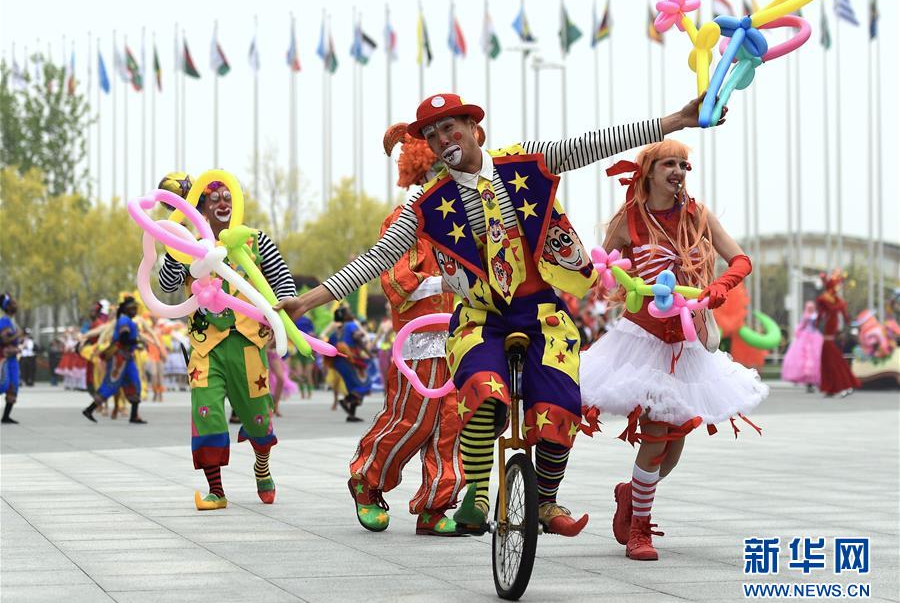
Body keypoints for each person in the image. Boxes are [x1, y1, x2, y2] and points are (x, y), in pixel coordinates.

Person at [278, 91, 714, 537]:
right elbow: (380, 256)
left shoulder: (524, 162)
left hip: (542, 310)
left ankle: (546, 499)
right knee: (483, 396)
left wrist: (677, 119)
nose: (442, 139)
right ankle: (479, 494)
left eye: (450, 128)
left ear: (473, 130)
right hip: (480, 316)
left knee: (559, 402)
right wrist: (306, 301)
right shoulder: (427, 202)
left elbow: (592, 144)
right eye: (432, 134)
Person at [579, 139, 768, 560]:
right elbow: (601, 269)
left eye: (684, 164)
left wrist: (719, 286)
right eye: (669, 163)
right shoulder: (630, 218)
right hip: (641, 340)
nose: (678, 170)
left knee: (672, 450)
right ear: (648, 171)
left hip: (689, 339)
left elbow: (740, 260)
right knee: (656, 435)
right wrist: (608, 278)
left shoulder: (698, 214)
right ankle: (639, 533)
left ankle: (631, 493)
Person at [347, 125, 464, 536]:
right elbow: (396, 281)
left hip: (467, 335)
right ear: (422, 172)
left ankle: (436, 504)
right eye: (436, 169)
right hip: (420, 339)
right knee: (413, 417)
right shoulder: (405, 219)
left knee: (454, 422)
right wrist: (447, 283)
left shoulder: (471, 216)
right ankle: (367, 479)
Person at [157, 173, 296, 510]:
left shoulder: (255, 240)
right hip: (206, 346)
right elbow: (166, 286)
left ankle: (261, 466)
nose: (223, 203)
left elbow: (283, 282)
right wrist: (178, 246)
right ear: (203, 205)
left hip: (248, 343)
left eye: (227, 196)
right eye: (214, 198)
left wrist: (285, 319)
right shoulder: (188, 245)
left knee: (258, 419)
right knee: (206, 413)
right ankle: (216, 491)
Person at [82, 296, 148, 424]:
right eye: (132, 309)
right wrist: (137, 341)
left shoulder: (128, 320)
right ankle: (89, 410)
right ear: (126, 310)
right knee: (111, 385)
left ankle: (134, 415)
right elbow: (123, 338)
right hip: (119, 358)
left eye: (136, 309)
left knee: (134, 383)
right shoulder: (124, 320)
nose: (135, 311)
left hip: (128, 358)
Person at [816, 270, 861, 397]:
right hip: (828, 334)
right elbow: (823, 312)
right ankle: (831, 388)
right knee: (829, 361)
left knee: (834, 361)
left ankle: (843, 385)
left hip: (829, 335)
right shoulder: (831, 299)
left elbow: (839, 313)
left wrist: (848, 320)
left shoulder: (832, 300)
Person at [328, 305, 372, 423]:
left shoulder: (335, 332)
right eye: (349, 312)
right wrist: (368, 352)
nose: (351, 313)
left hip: (339, 362)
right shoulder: (351, 325)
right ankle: (346, 401)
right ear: (345, 316)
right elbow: (357, 338)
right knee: (365, 383)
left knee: (353, 387)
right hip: (350, 360)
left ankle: (351, 415)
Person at [781, 301, 823, 391]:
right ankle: (809, 384)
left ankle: (815, 382)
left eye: (812, 307)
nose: (811, 309)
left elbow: (817, 325)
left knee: (816, 358)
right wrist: (798, 332)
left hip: (815, 337)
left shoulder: (816, 315)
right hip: (806, 337)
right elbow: (802, 325)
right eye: (809, 307)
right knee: (806, 360)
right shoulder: (806, 316)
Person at [0, 293, 22, 424]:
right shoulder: (4, 321)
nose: (16, 305)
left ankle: (6, 416)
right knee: (3, 385)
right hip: (5, 360)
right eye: (13, 303)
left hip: (13, 360)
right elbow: (3, 339)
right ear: (7, 307)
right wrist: (18, 334)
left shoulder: (12, 321)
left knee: (13, 386)